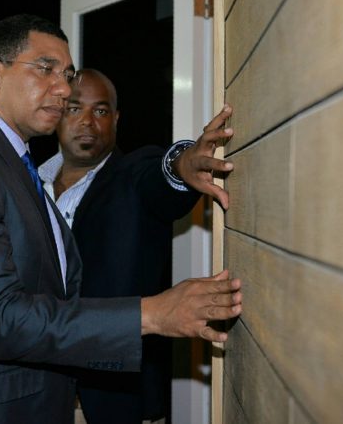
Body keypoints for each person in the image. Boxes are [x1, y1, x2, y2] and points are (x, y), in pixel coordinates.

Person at [0, 14, 241, 424]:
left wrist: (180, 163)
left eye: (67, 74)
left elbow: (148, 174)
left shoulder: (13, 163)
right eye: (46, 69)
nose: (62, 89)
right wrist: (153, 314)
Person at [38, 68, 228, 423]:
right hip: (39, 397)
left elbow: (161, 175)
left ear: (116, 118)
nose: (87, 122)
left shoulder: (131, 176)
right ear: (57, 113)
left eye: (101, 110)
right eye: (74, 108)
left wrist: (182, 164)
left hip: (115, 402)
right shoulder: (30, 187)